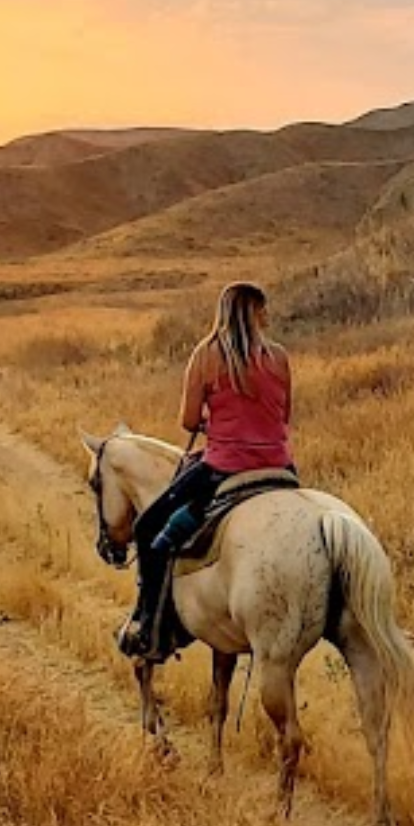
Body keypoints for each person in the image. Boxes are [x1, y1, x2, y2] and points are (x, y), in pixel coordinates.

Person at [123, 281, 295, 662]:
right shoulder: (279, 357)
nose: (267, 317)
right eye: (263, 310)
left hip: (224, 466)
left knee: (147, 526)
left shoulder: (205, 355)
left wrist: (209, 420)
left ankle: (150, 625)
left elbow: (187, 420)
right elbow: (284, 417)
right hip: (280, 466)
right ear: (253, 314)